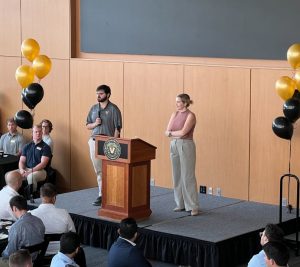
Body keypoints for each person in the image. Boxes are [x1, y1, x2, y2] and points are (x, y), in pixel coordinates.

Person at [86, 84, 122, 206]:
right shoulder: (94, 108)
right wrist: (95, 124)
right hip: (94, 141)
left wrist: (114, 143)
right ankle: (102, 194)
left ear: (108, 95)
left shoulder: (114, 109)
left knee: (110, 170)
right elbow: (87, 125)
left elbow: (117, 129)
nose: (98, 96)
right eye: (97, 94)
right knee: (99, 170)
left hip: (108, 143)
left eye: (101, 94)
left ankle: (112, 194)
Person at [165, 93, 199, 216]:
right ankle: (180, 203)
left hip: (186, 145)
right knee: (176, 175)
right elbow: (167, 131)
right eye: (176, 101)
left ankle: (193, 205)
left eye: (179, 102)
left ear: (185, 103)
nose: (177, 104)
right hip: (174, 144)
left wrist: (172, 133)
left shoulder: (191, 115)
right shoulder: (174, 114)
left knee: (187, 176)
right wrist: (173, 134)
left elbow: (184, 132)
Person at [30, 183, 76, 254]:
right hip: (61, 251)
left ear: (41, 196)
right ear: (54, 197)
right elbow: (73, 233)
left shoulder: (31, 214)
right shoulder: (64, 213)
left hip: (38, 252)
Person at [0, 196, 45, 267]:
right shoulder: (39, 221)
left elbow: (10, 253)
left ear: (14, 208)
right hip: (35, 260)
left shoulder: (15, 227)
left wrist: (2, 253)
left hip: (19, 263)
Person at [18, 124, 52, 194]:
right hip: (26, 169)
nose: (38, 133)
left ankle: (32, 196)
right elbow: (21, 161)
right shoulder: (27, 146)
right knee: (9, 175)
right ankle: (15, 196)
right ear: (32, 133)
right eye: (36, 132)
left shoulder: (46, 147)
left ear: (42, 133)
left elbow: (43, 164)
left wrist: (30, 171)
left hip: (40, 171)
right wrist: (21, 170)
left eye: (40, 131)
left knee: (31, 177)